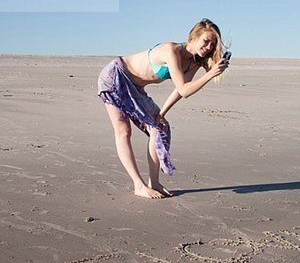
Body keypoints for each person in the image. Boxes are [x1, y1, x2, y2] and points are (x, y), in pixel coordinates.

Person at [97, 18, 229, 199]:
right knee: (123, 131)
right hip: (115, 76)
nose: (208, 47)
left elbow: (180, 91)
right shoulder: (171, 51)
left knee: (160, 128)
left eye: (212, 45)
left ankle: (154, 183)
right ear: (193, 37)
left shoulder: (194, 62)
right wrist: (210, 75)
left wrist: (162, 113)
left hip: (136, 89)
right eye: (206, 41)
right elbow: (184, 89)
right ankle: (138, 185)